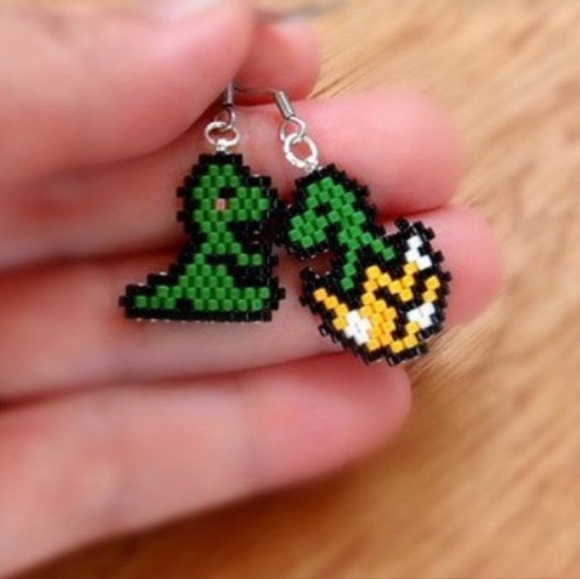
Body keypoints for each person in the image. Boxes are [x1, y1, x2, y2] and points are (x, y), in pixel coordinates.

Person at [0, 0, 501, 575]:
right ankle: (233, 269)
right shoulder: (320, 223)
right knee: (233, 199)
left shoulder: (336, 226)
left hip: (349, 273)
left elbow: (312, 234)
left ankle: (235, 272)